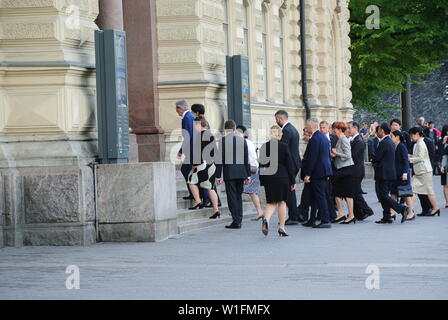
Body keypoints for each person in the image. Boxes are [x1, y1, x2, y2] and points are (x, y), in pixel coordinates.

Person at [259, 126, 297, 237]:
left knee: (271, 202)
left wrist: (262, 180)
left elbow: (261, 165)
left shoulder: (264, 147)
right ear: (279, 135)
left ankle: (266, 219)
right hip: (282, 177)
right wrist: (293, 180)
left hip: (269, 178)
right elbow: (289, 165)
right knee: (282, 202)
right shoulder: (284, 147)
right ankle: (281, 227)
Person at [215, 120, 251, 229]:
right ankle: (238, 219)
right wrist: (248, 174)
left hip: (229, 172)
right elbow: (246, 159)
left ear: (226, 129)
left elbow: (219, 159)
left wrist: (218, 176)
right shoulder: (242, 140)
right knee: (238, 196)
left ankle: (236, 221)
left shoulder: (223, 141)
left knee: (231, 197)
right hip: (241, 172)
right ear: (235, 128)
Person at [372, 123, 409, 224]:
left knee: (383, 196)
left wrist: (373, 159)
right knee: (383, 195)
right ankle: (387, 216)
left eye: (378, 130)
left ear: (382, 131)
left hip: (384, 174)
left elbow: (377, 157)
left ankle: (402, 208)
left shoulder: (384, 142)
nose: (377, 132)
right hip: (386, 173)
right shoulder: (389, 141)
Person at [186, 116, 220, 219]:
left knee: (190, 180)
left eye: (195, 125)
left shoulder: (200, 135)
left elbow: (198, 151)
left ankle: (197, 200)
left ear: (199, 124)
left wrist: (194, 164)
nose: (195, 127)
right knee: (210, 187)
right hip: (212, 164)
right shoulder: (211, 135)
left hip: (203, 164)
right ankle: (215, 210)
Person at [302, 118, 333, 229]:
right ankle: (312, 219)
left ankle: (325, 220)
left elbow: (312, 158)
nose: (306, 128)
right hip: (323, 170)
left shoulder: (315, 138)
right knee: (314, 197)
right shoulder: (322, 137)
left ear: (311, 126)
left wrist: (308, 174)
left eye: (306, 126)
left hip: (317, 172)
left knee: (320, 196)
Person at [274, 110, 302, 225]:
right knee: (291, 189)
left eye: (276, 120)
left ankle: (294, 216)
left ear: (280, 119)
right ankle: (294, 214)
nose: (276, 122)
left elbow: (283, 150)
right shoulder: (293, 129)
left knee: (289, 190)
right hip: (294, 163)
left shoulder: (286, 130)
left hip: (289, 165)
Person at [408, 127, 440, 217]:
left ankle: (435, 208)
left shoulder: (420, 143)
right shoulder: (418, 142)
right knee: (414, 190)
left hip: (424, 171)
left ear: (417, 134)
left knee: (428, 191)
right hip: (421, 171)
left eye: (412, 135)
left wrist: (409, 159)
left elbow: (420, 157)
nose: (411, 137)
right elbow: (417, 156)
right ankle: (410, 210)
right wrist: (410, 156)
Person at [235, 125, 264, 220]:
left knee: (247, 191)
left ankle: (237, 212)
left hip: (249, 168)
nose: (235, 134)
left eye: (237, 132)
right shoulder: (249, 142)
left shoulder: (243, 143)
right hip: (253, 167)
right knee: (252, 192)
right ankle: (259, 212)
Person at [347, 121, 374, 220]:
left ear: (355, 128)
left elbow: (352, 156)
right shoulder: (354, 140)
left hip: (356, 171)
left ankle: (367, 210)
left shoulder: (359, 140)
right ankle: (359, 213)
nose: (348, 130)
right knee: (355, 192)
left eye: (349, 128)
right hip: (355, 170)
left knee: (355, 192)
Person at [330, 122, 356, 224]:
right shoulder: (340, 139)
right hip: (341, 169)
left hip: (347, 169)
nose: (333, 130)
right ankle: (341, 213)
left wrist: (336, 153)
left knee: (347, 194)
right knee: (337, 192)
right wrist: (334, 155)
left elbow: (348, 155)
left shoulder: (344, 139)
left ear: (340, 129)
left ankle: (351, 215)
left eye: (334, 128)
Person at [390, 130, 415, 222]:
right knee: (393, 194)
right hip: (395, 174)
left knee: (406, 194)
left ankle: (411, 212)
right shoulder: (394, 146)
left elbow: (405, 161)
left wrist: (405, 173)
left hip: (402, 174)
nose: (391, 138)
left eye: (392, 136)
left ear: (397, 137)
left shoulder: (402, 147)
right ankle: (391, 212)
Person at [176, 100, 197, 201]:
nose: (176, 111)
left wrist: (181, 150)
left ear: (180, 108)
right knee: (189, 171)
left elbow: (188, 136)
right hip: (194, 149)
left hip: (192, 150)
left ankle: (196, 194)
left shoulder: (187, 118)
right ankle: (195, 194)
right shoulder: (191, 116)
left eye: (177, 109)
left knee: (186, 170)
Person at [318, 121, 338, 222]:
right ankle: (326, 213)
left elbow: (337, 152)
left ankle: (332, 212)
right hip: (324, 168)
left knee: (329, 191)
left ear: (328, 128)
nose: (322, 129)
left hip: (333, 166)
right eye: (320, 127)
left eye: (324, 127)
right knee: (325, 192)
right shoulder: (318, 138)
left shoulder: (333, 138)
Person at [437, 125, 448, 208]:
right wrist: (444, 143)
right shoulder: (441, 141)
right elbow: (440, 154)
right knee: (445, 184)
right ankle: (447, 202)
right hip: (444, 165)